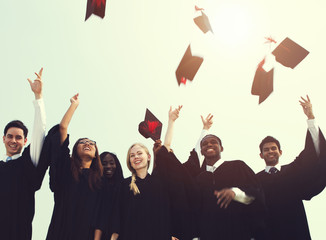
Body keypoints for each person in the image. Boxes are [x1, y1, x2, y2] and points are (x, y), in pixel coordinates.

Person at [111, 106, 193, 240]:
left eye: (139, 153)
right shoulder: (124, 185)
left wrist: (171, 121)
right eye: (132, 155)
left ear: (148, 157)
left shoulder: (159, 182)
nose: (136, 157)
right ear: (129, 161)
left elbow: (165, 148)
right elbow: (116, 220)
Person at [183, 114, 265, 240]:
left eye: (213, 142)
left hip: (238, 234)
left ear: (221, 148)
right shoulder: (199, 179)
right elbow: (194, 211)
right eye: (204, 144)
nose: (209, 145)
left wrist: (236, 193)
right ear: (202, 151)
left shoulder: (238, 166)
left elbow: (257, 194)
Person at [256, 95, 326, 240]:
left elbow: (313, 153)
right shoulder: (255, 180)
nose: (270, 151)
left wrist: (311, 118)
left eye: (273, 148)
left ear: (280, 152)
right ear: (261, 155)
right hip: (268, 232)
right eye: (266, 150)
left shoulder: (292, 170)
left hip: (295, 229)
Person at [45, 93, 104, 240]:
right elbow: (62, 128)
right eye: (83, 142)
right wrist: (74, 105)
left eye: (91, 143)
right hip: (61, 231)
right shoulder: (66, 171)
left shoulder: (100, 181)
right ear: (75, 149)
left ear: (96, 152)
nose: (88, 144)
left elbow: (103, 214)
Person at [0, 68, 47, 240]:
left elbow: (39, 130)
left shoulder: (27, 162)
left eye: (18, 138)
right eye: (10, 137)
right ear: (3, 139)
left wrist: (38, 97)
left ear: (25, 141)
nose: (14, 140)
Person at [97, 152, 124, 240]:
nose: (108, 166)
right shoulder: (94, 188)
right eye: (104, 164)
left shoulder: (124, 187)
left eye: (112, 163)